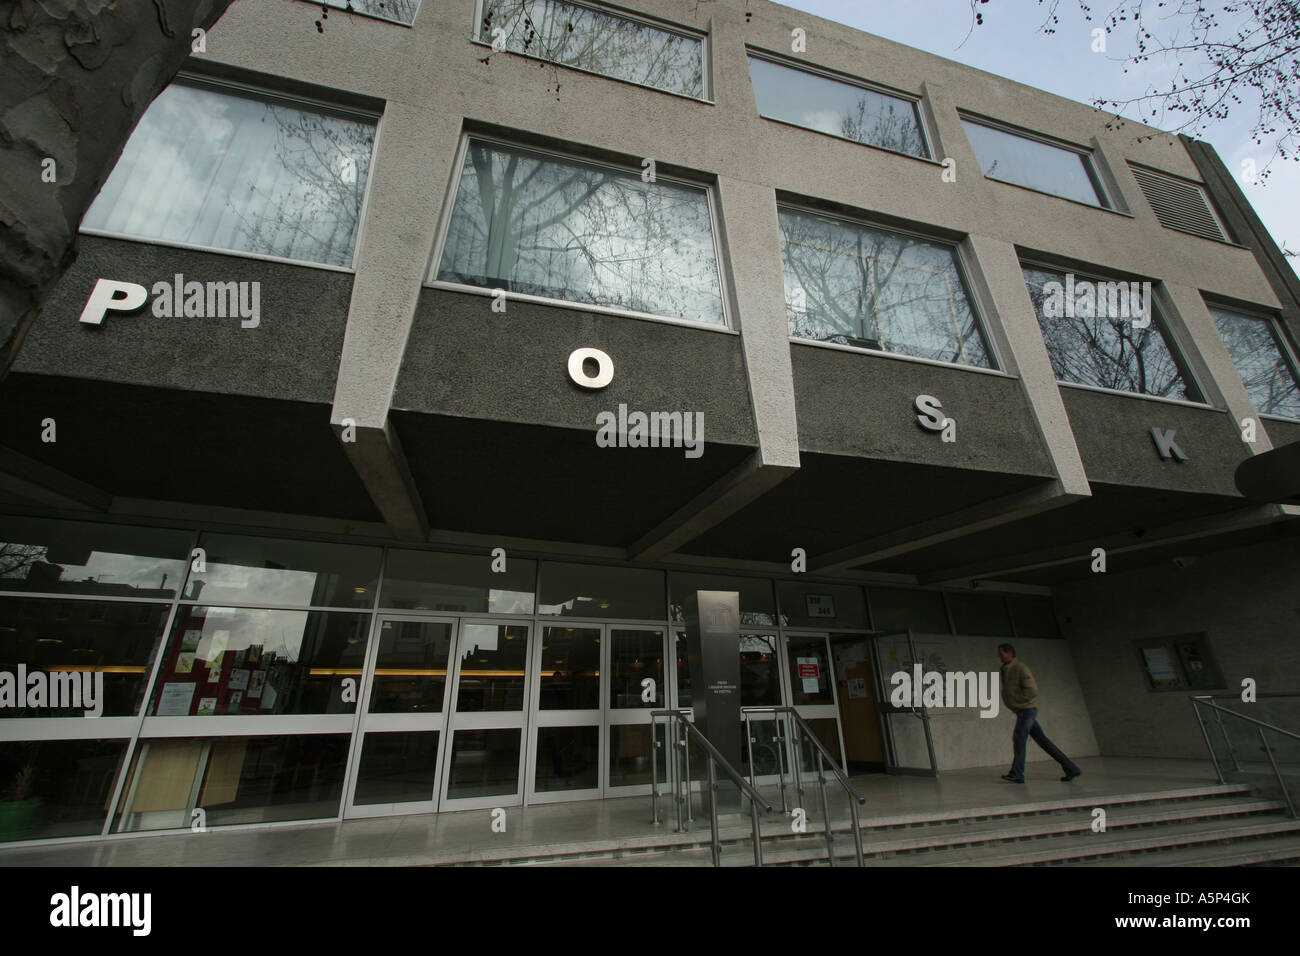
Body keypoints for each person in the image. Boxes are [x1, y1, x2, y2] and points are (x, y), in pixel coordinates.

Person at [997, 643, 1082, 783]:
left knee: (1019, 739)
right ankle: (1071, 768)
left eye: (1001, 653)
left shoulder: (1021, 668)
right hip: (1021, 711)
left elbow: (1032, 691)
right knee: (1044, 742)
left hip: (1027, 710)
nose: (999, 656)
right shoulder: (1005, 669)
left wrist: (1018, 701)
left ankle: (1017, 773)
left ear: (1010, 653)